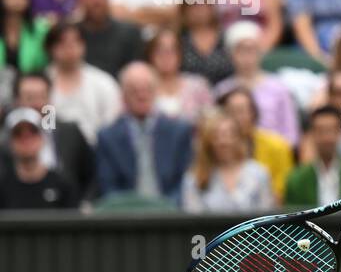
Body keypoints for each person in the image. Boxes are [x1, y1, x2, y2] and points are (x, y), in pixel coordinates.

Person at [95, 62, 192, 203]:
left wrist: (166, 211)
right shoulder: (107, 137)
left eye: (147, 89)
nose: (141, 95)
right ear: (123, 95)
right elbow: (109, 188)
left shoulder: (179, 131)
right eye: (134, 90)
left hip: (171, 215)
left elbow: (184, 184)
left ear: (156, 91)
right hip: (126, 216)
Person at [181, 110, 274, 212]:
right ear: (208, 141)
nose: (223, 141)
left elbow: (267, 216)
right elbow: (192, 220)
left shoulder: (258, 173)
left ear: (239, 138)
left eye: (229, 134)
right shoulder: (194, 178)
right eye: (216, 136)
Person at [284, 106, 341, 208]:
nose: (326, 138)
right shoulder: (296, 179)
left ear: (340, 133)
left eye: (330, 130)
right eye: (320, 131)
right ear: (311, 134)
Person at [0, 108, 77, 209]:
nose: (26, 139)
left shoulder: (62, 185)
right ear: (10, 142)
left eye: (32, 132)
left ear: (42, 138)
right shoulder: (3, 187)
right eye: (18, 134)